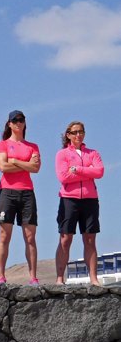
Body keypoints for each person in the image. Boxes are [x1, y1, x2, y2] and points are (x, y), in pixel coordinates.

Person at [54, 121, 104, 285]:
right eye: (74, 132)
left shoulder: (93, 153)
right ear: (68, 135)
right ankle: (60, 278)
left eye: (81, 132)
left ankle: (93, 279)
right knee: (65, 238)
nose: (78, 135)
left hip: (90, 199)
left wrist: (78, 169)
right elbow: (63, 177)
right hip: (69, 199)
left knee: (90, 239)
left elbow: (99, 171)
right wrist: (88, 172)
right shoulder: (62, 154)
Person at [0, 110, 41, 285]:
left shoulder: (32, 146)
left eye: (21, 120)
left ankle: (33, 277)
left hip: (27, 192)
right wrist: (25, 164)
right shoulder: (2, 144)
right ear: (9, 124)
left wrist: (15, 161)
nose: (19, 123)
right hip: (7, 192)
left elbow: (35, 168)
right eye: (15, 120)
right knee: (4, 235)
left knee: (30, 237)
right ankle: (1, 276)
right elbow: (3, 167)